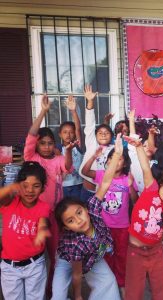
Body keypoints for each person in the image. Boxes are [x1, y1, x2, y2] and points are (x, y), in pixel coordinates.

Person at [52, 135, 125, 300]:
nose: (79, 220)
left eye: (79, 212)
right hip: (67, 260)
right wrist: (78, 296)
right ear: (66, 228)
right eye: (71, 220)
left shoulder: (92, 208)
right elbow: (77, 276)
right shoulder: (74, 244)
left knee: (109, 283)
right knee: (58, 295)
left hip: (92, 256)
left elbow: (105, 183)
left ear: (85, 208)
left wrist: (117, 153)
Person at [123, 135, 163, 300]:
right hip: (135, 252)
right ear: (162, 183)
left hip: (156, 252)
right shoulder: (151, 188)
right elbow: (145, 167)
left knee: (162, 290)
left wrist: (159, 241)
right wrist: (138, 146)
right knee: (134, 290)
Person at [24, 94, 75, 295]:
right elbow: (30, 136)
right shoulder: (31, 158)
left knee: (56, 255)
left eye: (49, 143)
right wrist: (43, 112)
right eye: (42, 143)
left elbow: (68, 167)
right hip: (35, 217)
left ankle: (54, 291)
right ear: (37, 145)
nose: (46, 146)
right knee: (35, 256)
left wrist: (68, 151)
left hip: (55, 215)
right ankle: (35, 291)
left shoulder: (59, 158)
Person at [81, 140, 138, 297]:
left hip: (122, 227)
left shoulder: (128, 178)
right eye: (111, 158)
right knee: (105, 255)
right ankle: (109, 284)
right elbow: (85, 171)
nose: (115, 161)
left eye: (118, 158)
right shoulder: (102, 175)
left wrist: (131, 186)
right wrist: (94, 156)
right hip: (103, 227)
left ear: (125, 162)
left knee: (121, 255)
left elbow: (135, 201)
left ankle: (121, 284)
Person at [0, 161, 51, 300]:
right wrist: (11, 188)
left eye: (36, 186)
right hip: (9, 267)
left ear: (42, 188)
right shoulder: (10, 202)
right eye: (25, 186)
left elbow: (42, 221)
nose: (30, 190)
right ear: (18, 186)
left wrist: (42, 230)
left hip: (34, 265)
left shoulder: (43, 206)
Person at [78, 85, 115, 202]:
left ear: (112, 137)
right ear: (95, 136)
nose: (103, 135)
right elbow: (89, 124)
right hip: (87, 191)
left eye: (107, 133)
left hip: (104, 192)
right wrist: (90, 102)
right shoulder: (92, 143)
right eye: (100, 133)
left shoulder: (114, 149)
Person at [58, 95, 83, 197]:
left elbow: (78, 128)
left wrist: (73, 111)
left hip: (78, 185)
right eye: (65, 132)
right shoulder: (58, 149)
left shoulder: (77, 146)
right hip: (63, 186)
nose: (68, 135)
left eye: (71, 132)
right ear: (60, 134)